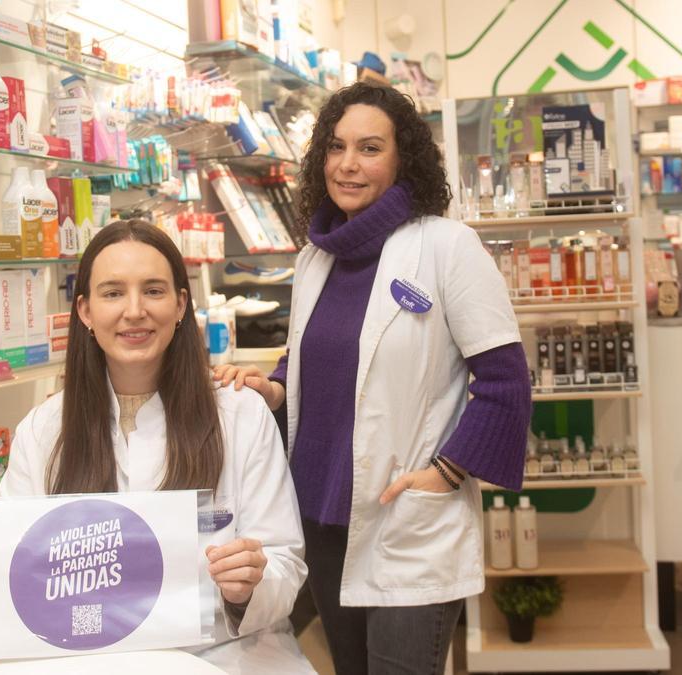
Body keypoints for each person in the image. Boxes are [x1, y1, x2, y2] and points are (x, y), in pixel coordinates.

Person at [213, 82, 531, 674]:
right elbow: (307, 362)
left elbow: (506, 383)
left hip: (404, 521)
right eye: (336, 147)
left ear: (401, 158)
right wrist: (272, 389)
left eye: (369, 148)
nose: (348, 164)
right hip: (320, 517)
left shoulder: (447, 248)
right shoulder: (315, 257)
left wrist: (447, 471)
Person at [0, 220, 313, 674]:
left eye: (153, 291)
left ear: (180, 305)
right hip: (88, 659)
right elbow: (22, 572)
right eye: (112, 293)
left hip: (226, 655)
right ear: (86, 311)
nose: (134, 311)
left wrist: (248, 584)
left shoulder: (240, 415)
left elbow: (284, 562)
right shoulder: (43, 429)